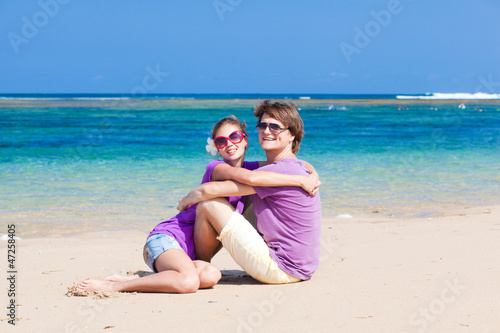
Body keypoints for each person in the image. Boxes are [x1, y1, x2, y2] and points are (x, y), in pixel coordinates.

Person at [77, 115, 319, 294]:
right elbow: (249, 180)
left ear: (245, 141)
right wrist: (299, 179)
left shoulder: (255, 169)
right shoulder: (218, 168)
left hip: (189, 255)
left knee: (211, 275)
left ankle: (151, 276)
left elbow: (278, 168)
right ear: (216, 148)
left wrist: (309, 169)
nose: (229, 144)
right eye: (221, 141)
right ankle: (115, 286)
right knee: (188, 283)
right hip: (166, 240)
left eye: (235, 137)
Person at [178, 100, 322, 284]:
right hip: (301, 267)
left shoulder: (278, 171)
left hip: (282, 268)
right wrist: (311, 172)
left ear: (291, 135)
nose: (267, 131)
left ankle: (200, 266)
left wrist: (184, 202)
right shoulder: (291, 167)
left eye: (275, 127)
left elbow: (209, 189)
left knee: (210, 205)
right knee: (247, 199)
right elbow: (292, 167)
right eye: (263, 125)